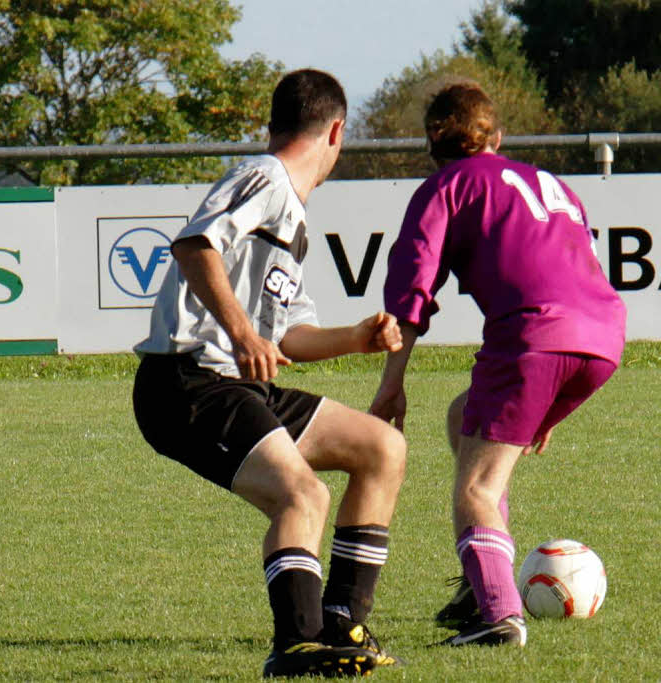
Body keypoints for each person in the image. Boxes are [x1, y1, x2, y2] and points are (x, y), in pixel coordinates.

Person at [132, 69, 407, 678]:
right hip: (188, 383)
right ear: (337, 131)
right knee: (303, 493)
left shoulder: (291, 216)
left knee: (380, 448)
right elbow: (195, 244)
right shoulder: (265, 177)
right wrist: (241, 333)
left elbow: (286, 340)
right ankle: (298, 643)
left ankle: (341, 623)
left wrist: (355, 339)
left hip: (236, 382)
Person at [370, 81, 626, 648]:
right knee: (466, 415)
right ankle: (477, 580)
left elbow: (412, 288)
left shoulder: (446, 186)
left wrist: (392, 383)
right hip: (604, 337)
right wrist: (551, 407)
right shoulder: (550, 183)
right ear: (497, 137)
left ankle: (497, 615)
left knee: (476, 489)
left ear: (432, 142)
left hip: (534, 336)